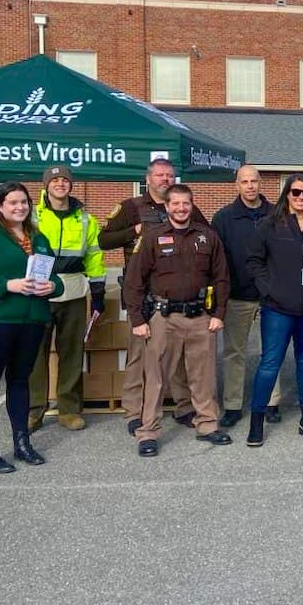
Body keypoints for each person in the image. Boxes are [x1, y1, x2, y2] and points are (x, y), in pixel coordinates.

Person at [0, 182, 64, 474]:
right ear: (0, 206)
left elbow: (56, 278)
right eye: (13, 203)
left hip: (30, 321)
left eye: (24, 202)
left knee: (20, 381)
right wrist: (8, 285)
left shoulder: (38, 238)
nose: (20, 207)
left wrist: (52, 286)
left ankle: (22, 442)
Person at [98, 158, 207, 436]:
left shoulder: (185, 207)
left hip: (175, 295)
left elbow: (208, 235)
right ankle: (134, 412)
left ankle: (184, 406)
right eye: (160, 175)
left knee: (181, 355)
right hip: (142, 295)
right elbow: (104, 240)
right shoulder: (131, 207)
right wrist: (134, 230)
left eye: (170, 175)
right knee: (138, 356)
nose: (165, 180)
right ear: (148, 179)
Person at [123, 184, 232, 456]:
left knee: (203, 376)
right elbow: (134, 281)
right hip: (163, 317)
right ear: (167, 206)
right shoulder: (152, 237)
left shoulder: (208, 237)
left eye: (186, 204)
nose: (181, 208)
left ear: (192, 205)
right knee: (156, 377)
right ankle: (147, 432)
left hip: (200, 317)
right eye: (175, 204)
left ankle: (207, 424)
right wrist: (137, 319)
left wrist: (218, 314)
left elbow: (221, 278)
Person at [246, 174, 303, 447]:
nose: (300, 198)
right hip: (277, 308)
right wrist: (270, 290)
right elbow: (254, 261)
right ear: (286, 194)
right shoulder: (269, 225)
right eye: (295, 192)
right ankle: (257, 420)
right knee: (270, 363)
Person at [26, 165, 106, 433]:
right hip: (37, 292)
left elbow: (94, 257)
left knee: (72, 353)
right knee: (34, 354)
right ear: (46, 185)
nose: (60, 184)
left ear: (71, 185)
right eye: (55, 180)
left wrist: (98, 293)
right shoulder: (32, 215)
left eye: (65, 180)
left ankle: (69, 410)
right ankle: (33, 409)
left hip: (72, 291)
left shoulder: (85, 219)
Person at [210, 164, 282, 428]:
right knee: (234, 353)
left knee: (271, 352)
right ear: (236, 185)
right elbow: (216, 260)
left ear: (260, 183)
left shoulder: (277, 214)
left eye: (254, 181)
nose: (250, 186)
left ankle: (270, 402)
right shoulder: (224, 218)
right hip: (238, 296)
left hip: (271, 297)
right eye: (244, 181)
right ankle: (232, 405)